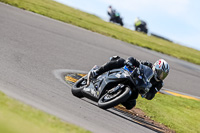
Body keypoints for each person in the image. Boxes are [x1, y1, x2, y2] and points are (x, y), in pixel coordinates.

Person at [87, 56, 170, 110]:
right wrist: (130, 62)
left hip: (136, 88)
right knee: (120, 61)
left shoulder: (159, 83)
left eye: (164, 75)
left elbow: (152, 94)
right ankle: (96, 72)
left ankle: (113, 97)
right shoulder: (147, 65)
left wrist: (146, 94)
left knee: (131, 104)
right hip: (129, 76)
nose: (161, 76)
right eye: (160, 72)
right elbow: (134, 60)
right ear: (155, 67)